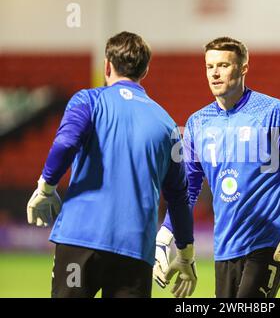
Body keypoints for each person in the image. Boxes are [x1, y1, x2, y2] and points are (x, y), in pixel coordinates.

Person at [26, 31, 197, 298]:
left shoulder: (88, 101)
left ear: (107, 65)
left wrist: (45, 187)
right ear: (145, 70)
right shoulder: (167, 125)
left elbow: (65, 144)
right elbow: (179, 196)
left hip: (79, 241)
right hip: (135, 250)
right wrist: (185, 253)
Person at [153, 37, 280, 298]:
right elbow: (188, 189)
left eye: (223, 65)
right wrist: (164, 237)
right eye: (209, 67)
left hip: (268, 242)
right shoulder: (197, 123)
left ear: (243, 68)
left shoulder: (274, 112)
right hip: (226, 246)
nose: (215, 73)